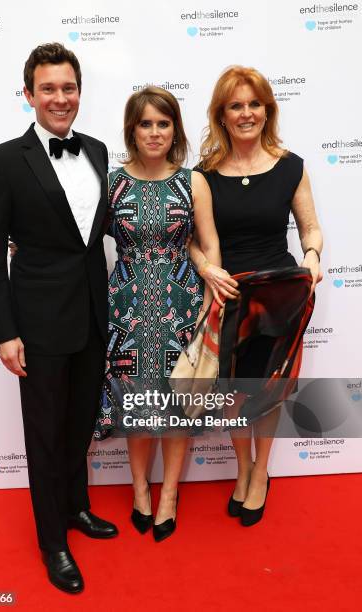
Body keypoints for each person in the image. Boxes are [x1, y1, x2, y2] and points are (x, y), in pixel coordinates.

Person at [0, 43, 118, 594]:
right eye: (49, 89)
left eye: (69, 87)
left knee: (80, 423)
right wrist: (4, 332)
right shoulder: (4, 161)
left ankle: (77, 507)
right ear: (29, 94)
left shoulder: (100, 151)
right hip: (36, 323)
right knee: (44, 434)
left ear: (79, 92)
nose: (60, 98)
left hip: (91, 313)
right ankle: (51, 539)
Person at [94, 86, 229, 541]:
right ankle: (139, 490)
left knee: (174, 406)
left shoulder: (192, 182)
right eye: (145, 123)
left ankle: (169, 492)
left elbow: (209, 245)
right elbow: (80, 237)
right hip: (126, 307)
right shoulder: (111, 182)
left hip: (181, 306)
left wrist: (210, 302)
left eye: (163, 123)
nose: (154, 132)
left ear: (175, 130)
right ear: (132, 129)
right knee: (138, 406)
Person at [190, 65, 323, 526]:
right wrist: (208, 269)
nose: (246, 113)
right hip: (231, 296)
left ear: (267, 109)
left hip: (280, 295)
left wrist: (312, 255)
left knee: (267, 392)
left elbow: (310, 228)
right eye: (235, 106)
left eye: (254, 104)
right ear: (222, 115)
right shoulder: (203, 174)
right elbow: (191, 239)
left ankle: (260, 472)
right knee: (231, 393)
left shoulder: (291, 167)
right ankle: (242, 467)